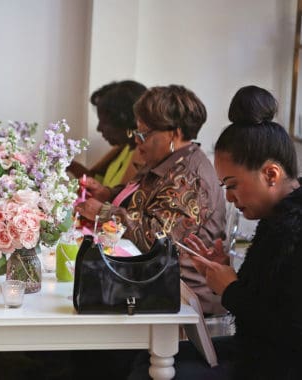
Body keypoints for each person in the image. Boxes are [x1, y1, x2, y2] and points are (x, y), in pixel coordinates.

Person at [131, 85, 302, 379]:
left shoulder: (293, 231)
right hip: (254, 350)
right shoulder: (276, 223)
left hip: (277, 366)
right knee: (148, 359)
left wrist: (231, 289)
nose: (229, 197)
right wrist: (223, 272)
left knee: (154, 370)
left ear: (271, 174)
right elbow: (266, 298)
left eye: (232, 185)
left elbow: (288, 330)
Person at [75, 84, 228, 316]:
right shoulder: (166, 162)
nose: (137, 141)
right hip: (148, 280)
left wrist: (103, 212)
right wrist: (107, 193)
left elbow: (155, 238)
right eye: (136, 132)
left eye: (144, 133)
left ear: (174, 133)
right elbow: (140, 199)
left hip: (179, 297)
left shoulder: (189, 177)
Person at [68, 80, 146, 187]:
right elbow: (99, 187)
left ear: (126, 121)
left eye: (104, 122)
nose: (99, 128)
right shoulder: (123, 150)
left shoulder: (145, 161)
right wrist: (68, 164)